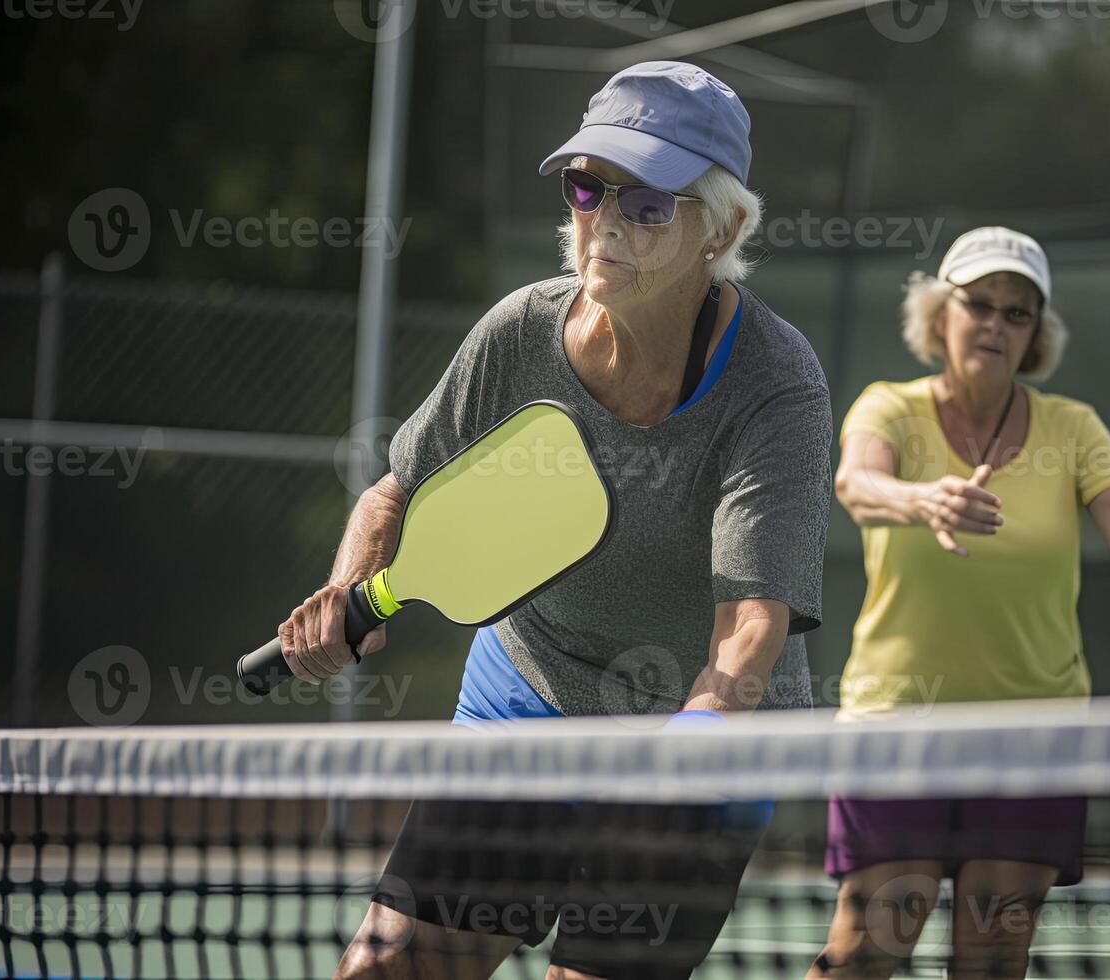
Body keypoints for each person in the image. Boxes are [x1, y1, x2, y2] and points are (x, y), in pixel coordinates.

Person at [273, 61, 832, 979]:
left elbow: (751, 627)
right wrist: (347, 590)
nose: (604, 220)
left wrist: (688, 751)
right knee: (383, 969)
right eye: (588, 186)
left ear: (723, 228)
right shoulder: (519, 331)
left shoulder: (777, 382)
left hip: (703, 735)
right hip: (529, 696)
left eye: (648, 203)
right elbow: (398, 490)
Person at [809, 227, 1110, 979]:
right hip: (897, 727)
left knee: (993, 958)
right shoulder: (888, 408)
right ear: (941, 315)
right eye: (979, 304)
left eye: (1018, 312)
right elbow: (855, 486)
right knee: (866, 950)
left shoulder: (1074, 428)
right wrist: (923, 498)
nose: (995, 323)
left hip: (1035, 736)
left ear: (1035, 336)